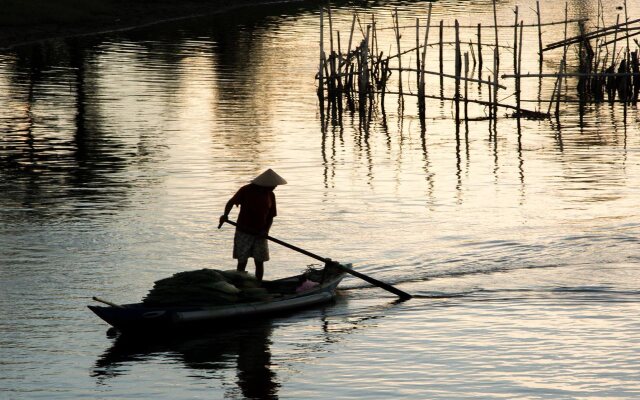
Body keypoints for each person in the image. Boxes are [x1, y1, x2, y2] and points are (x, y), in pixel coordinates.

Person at [219, 169, 287, 281]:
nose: (274, 187)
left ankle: (259, 283)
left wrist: (266, 231)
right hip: (244, 231)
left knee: (259, 261)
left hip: (260, 233)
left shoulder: (270, 195)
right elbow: (231, 202)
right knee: (242, 260)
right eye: (273, 185)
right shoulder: (246, 190)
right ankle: (240, 283)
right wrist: (225, 215)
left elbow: (270, 217)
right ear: (265, 184)